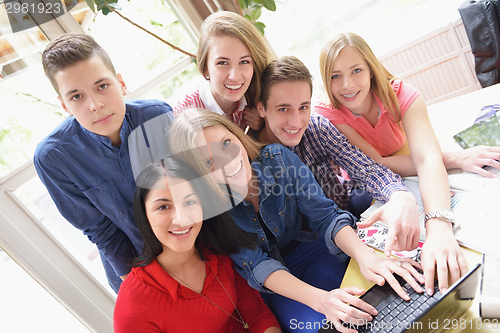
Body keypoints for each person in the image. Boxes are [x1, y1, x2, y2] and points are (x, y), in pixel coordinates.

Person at [168, 108, 423, 333]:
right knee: (322, 325)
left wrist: (366, 256)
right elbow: (258, 266)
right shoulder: (212, 214)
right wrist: (321, 300)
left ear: (236, 135)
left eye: (226, 143)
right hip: (280, 284)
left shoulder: (278, 158)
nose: (228, 161)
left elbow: (326, 217)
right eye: (209, 162)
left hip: (318, 250)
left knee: (379, 298)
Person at [314, 33, 496, 296]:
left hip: (405, 161)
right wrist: (452, 157)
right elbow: (378, 163)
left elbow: (426, 157)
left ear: (371, 69)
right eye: (335, 76)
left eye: (356, 70)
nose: (348, 85)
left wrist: (439, 227)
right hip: (368, 183)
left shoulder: (401, 93)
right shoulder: (328, 115)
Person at [33, 33, 172, 293]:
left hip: (198, 248)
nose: (96, 104)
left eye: (102, 86)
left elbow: (193, 194)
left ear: (121, 82)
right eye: (76, 97)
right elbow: (103, 232)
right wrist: (146, 288)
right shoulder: (53, 159)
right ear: (64, 105)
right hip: (136, 270)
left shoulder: (157, 116)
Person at [256, 56, 420, 255]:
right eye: (283, 109)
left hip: (346, 204)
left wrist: (399, 195)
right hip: (307, 241)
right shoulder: (253, 157)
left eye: (303, 107)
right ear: (261, 108)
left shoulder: (317, 128)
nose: (296, 121)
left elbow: (366, 168)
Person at [113, 156, 281, 333]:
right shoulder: (134, 305)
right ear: (144, 215)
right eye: (163, 207)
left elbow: (255, 313)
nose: (181, 219)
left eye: (190, 202)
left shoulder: (219, 249)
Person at [172, 11, 276, 132]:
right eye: (222, 63)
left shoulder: (257, 94)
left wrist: (262, 128)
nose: (235, 76)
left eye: (244, 62)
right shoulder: (183, 115)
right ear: (206, 68)